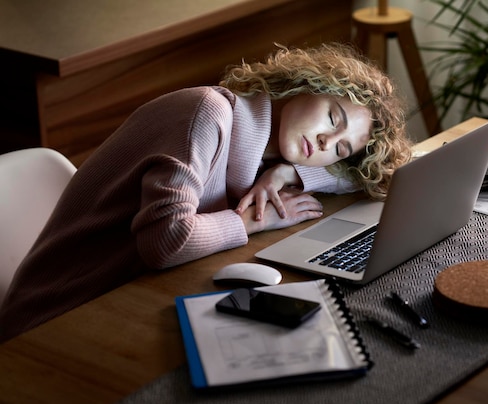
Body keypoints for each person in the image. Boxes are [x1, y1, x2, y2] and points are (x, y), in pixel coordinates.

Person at [0, 43, 412, 341]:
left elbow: (358, 178)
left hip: (125, 301)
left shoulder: (270, 153)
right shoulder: (208, 114)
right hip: (50, 320)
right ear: (302, 85)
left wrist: (288, 174)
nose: (325, 143)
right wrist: (253, 220)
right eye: (332, 116)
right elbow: (164, 241)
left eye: (341, 148)